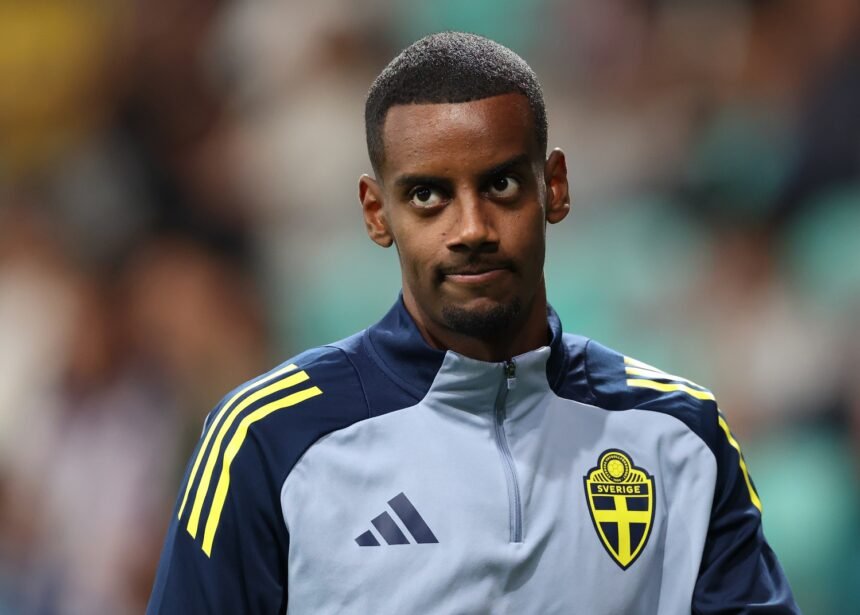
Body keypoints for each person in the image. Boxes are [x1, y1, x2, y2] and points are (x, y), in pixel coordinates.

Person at [147, 32, 799, 614]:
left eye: (502, 185)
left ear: (556, 187)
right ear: (376, 213)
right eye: (428, 195)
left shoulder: (679, 436)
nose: (472, 229)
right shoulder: (267, 440)